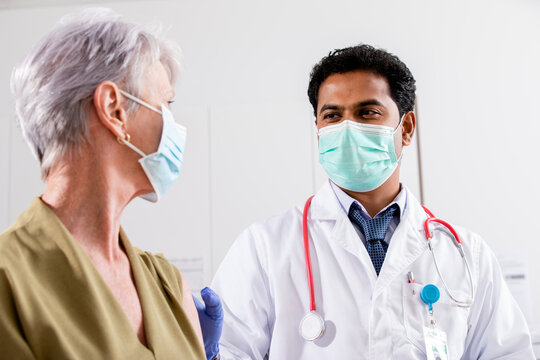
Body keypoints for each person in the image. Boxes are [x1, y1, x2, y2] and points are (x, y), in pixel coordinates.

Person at [211, 44, 535, 359]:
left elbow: (507, 353)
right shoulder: (264, 246)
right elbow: (227, 350)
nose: (347, 127)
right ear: (318, 130)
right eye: (333, 116)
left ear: (405, 129)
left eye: (368, 113)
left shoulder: (465, 253)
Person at [0, 8, 222, 359]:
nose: (175, 128)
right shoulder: (9, 282)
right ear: (114, 109)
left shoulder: (166, 284)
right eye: (165, 104)